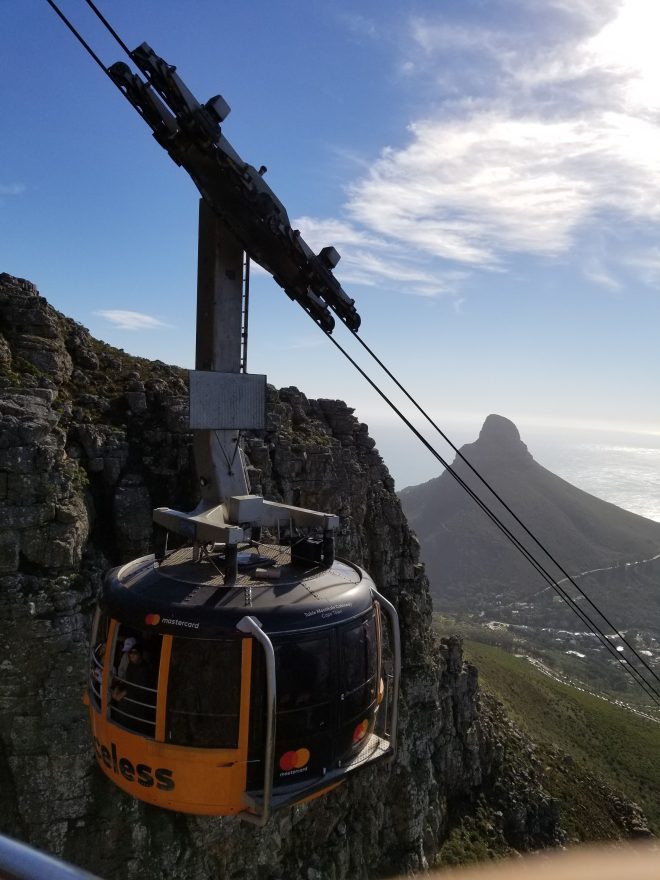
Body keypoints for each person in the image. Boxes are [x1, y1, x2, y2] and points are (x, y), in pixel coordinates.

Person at [111, 643, 156, 736]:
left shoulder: (144, 669)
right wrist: (118, 688)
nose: (131, 655)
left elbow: (138, 687)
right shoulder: (131, 665)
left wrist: (122, 693)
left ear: (140, 655)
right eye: (130, 653)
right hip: (131, 696)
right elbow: (128, 681)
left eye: (134, 653)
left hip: (140, 701)